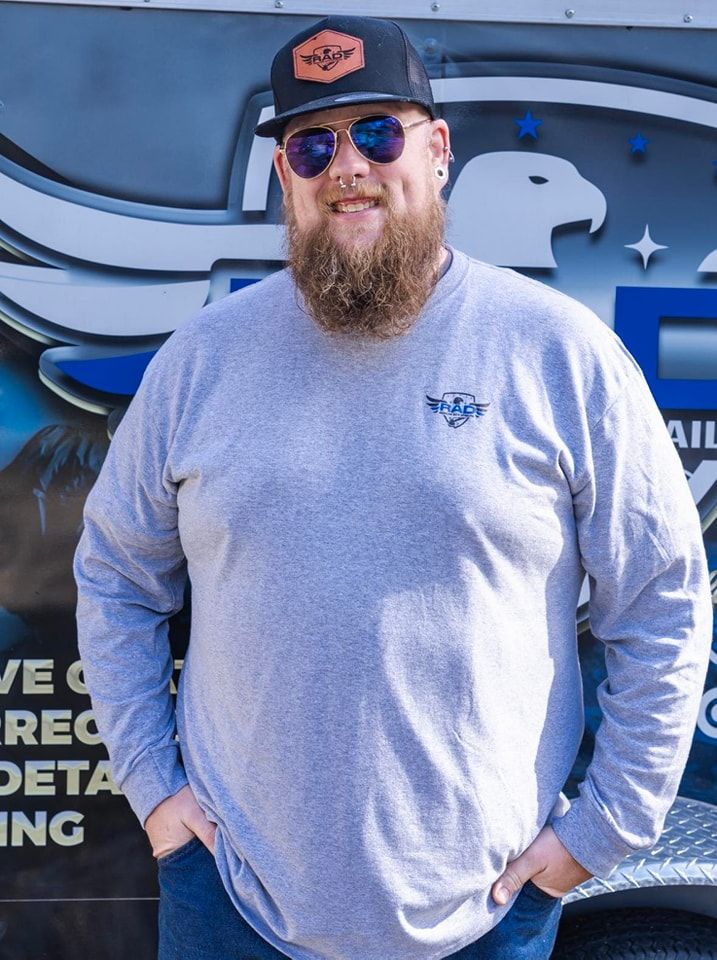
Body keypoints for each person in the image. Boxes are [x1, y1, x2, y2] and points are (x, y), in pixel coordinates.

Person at [73, 14, 713, 960]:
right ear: (284, 173)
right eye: (312, 144)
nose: (347, 167)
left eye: (377, 133)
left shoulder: (558, 352)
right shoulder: (200, 360)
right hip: (231, 904)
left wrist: (599, 834)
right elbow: (117, 575)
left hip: (485, 914)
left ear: (438, 150)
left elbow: (661, 599)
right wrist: (155, 790)